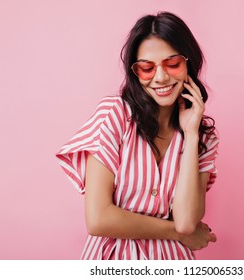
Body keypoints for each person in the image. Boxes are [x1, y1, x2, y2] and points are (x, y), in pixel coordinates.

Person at [56, 11, 219, 260]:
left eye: (173, 64)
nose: (161, 77)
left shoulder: (203, 135)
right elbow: (99, 219)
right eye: (146, 68)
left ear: (189, 63)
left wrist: (191, 133)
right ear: (135, 72)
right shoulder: (114, 116)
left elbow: (186, 222)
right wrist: (176, 234)